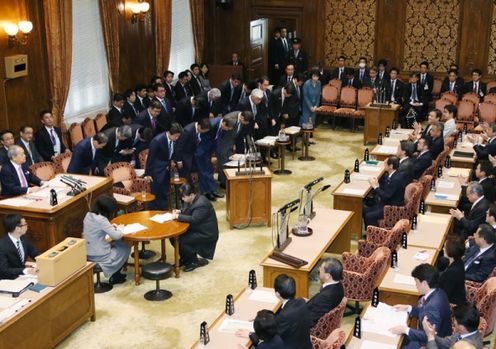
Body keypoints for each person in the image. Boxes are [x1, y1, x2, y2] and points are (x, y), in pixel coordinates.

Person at [390, 264, 452, 349]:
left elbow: (430, 335)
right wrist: (409, 308)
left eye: (416, 282)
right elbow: (424, 311)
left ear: (424, 283)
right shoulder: (439, 292)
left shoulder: (433, 306)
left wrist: (405, 330)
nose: (415, 285)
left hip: (433, 344)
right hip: (428, 334)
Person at [171, 183, 219, 272]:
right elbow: (189, 210)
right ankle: (185, 258)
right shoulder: (191, 200)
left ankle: (193, 261)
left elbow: (194, 219)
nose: (182, 199)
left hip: (205, 233)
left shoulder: (202, 203)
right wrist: (180, 211)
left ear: (192, 195)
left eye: (184, 197)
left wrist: (178, 217)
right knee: (173, 237)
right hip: (197, 228)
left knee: (182, 240)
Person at [83, 194, 130, 285]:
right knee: (125, 247)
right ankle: (115, 274)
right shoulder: (102, 220)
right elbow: (116, 236)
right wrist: (121, 229)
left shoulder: (88, 215)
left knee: (115, 244)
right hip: (99, 255)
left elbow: (97, 229)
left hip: (87, 252)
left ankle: (116, 274)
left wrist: (110, 227)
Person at [145, 123, 183, 210]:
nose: (177, 138)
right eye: (176, 136)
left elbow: (172, 152)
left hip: (166, 168)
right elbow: (150, 157)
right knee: (156, 193)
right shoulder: (157, 140)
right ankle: (154, 212)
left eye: (178, 136)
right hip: (156, 170)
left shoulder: (174, 140)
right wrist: (148, 173)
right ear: (170, 133)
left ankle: (164, 211)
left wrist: (173, 160)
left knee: (164, 192)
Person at [364, 156, 406, 227]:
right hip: (386, 203)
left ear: (391, 166)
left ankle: (375, 234)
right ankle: (369, 232)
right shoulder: (394, 175)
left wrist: (375, 187)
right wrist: (377, 184)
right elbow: (387, 189)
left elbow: (386, 196)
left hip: (391, 208)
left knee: (369, 216)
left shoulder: (396, 179)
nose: (384, 165)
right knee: (365, 210)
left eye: (385, 163)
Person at [273, 274, 312, 349]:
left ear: (277, 294)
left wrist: (252, 334)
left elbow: (272, 337)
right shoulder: (301, 302)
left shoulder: (284, 316)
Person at [214, 111, 252, 187]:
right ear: (242, 117)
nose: (245, 124)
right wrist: (219, 147)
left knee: (228, 163)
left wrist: (233, 143)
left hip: (230, 144)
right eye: (245, 122)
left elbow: (235, 133)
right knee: (223, 163)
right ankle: (224, 183)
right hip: (222, 145)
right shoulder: (229, 119)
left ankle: (223, 180)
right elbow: (221, 133)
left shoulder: (241, 117)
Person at [306, 258, 345, 326]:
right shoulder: (339, 286)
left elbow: (310, 320)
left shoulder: (325, 298)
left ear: (327, 276)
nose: (319, 269)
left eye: (321, 269)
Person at [0, 214, 39, 279]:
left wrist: (43, 261)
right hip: (9, 279)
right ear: (17, 228)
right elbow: (4, 270)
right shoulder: (2, 246)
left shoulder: (24, 238)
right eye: (25, 224)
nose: (27, 226)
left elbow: (34, 253)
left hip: (23, 276)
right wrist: (25, 270)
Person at [175, 118, 211, 183]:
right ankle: (185, 190)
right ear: (199, 126)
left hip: (192, 153)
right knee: (185, 175)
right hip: (184, 156)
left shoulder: (198, 128)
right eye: (203, 131)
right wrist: (179, 160)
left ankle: (191, 188)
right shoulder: (187, 131)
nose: (204, 132)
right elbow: (179, 147)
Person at [438, 237, 466, 304]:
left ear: (451, 250)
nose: (443, 249)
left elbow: (445, 295)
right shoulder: (459, 262)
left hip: (452, 303)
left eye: (445, 247)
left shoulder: (452, 272)